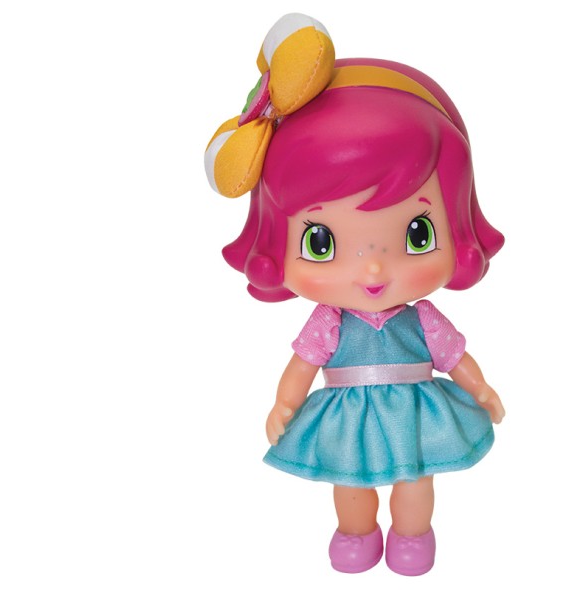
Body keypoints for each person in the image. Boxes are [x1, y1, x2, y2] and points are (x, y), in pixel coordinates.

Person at [205, 13, 506, 576]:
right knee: (349, 483)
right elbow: (302, 365)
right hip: (347, 417)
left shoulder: (424, 318)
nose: (372, 267)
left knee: (416, 481)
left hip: (417, 412)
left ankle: (413, 537)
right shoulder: (329, 322)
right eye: (321, 243)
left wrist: (480, 387)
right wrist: (284, 403)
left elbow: (454, 357)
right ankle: (356, 533)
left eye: (417, 234)